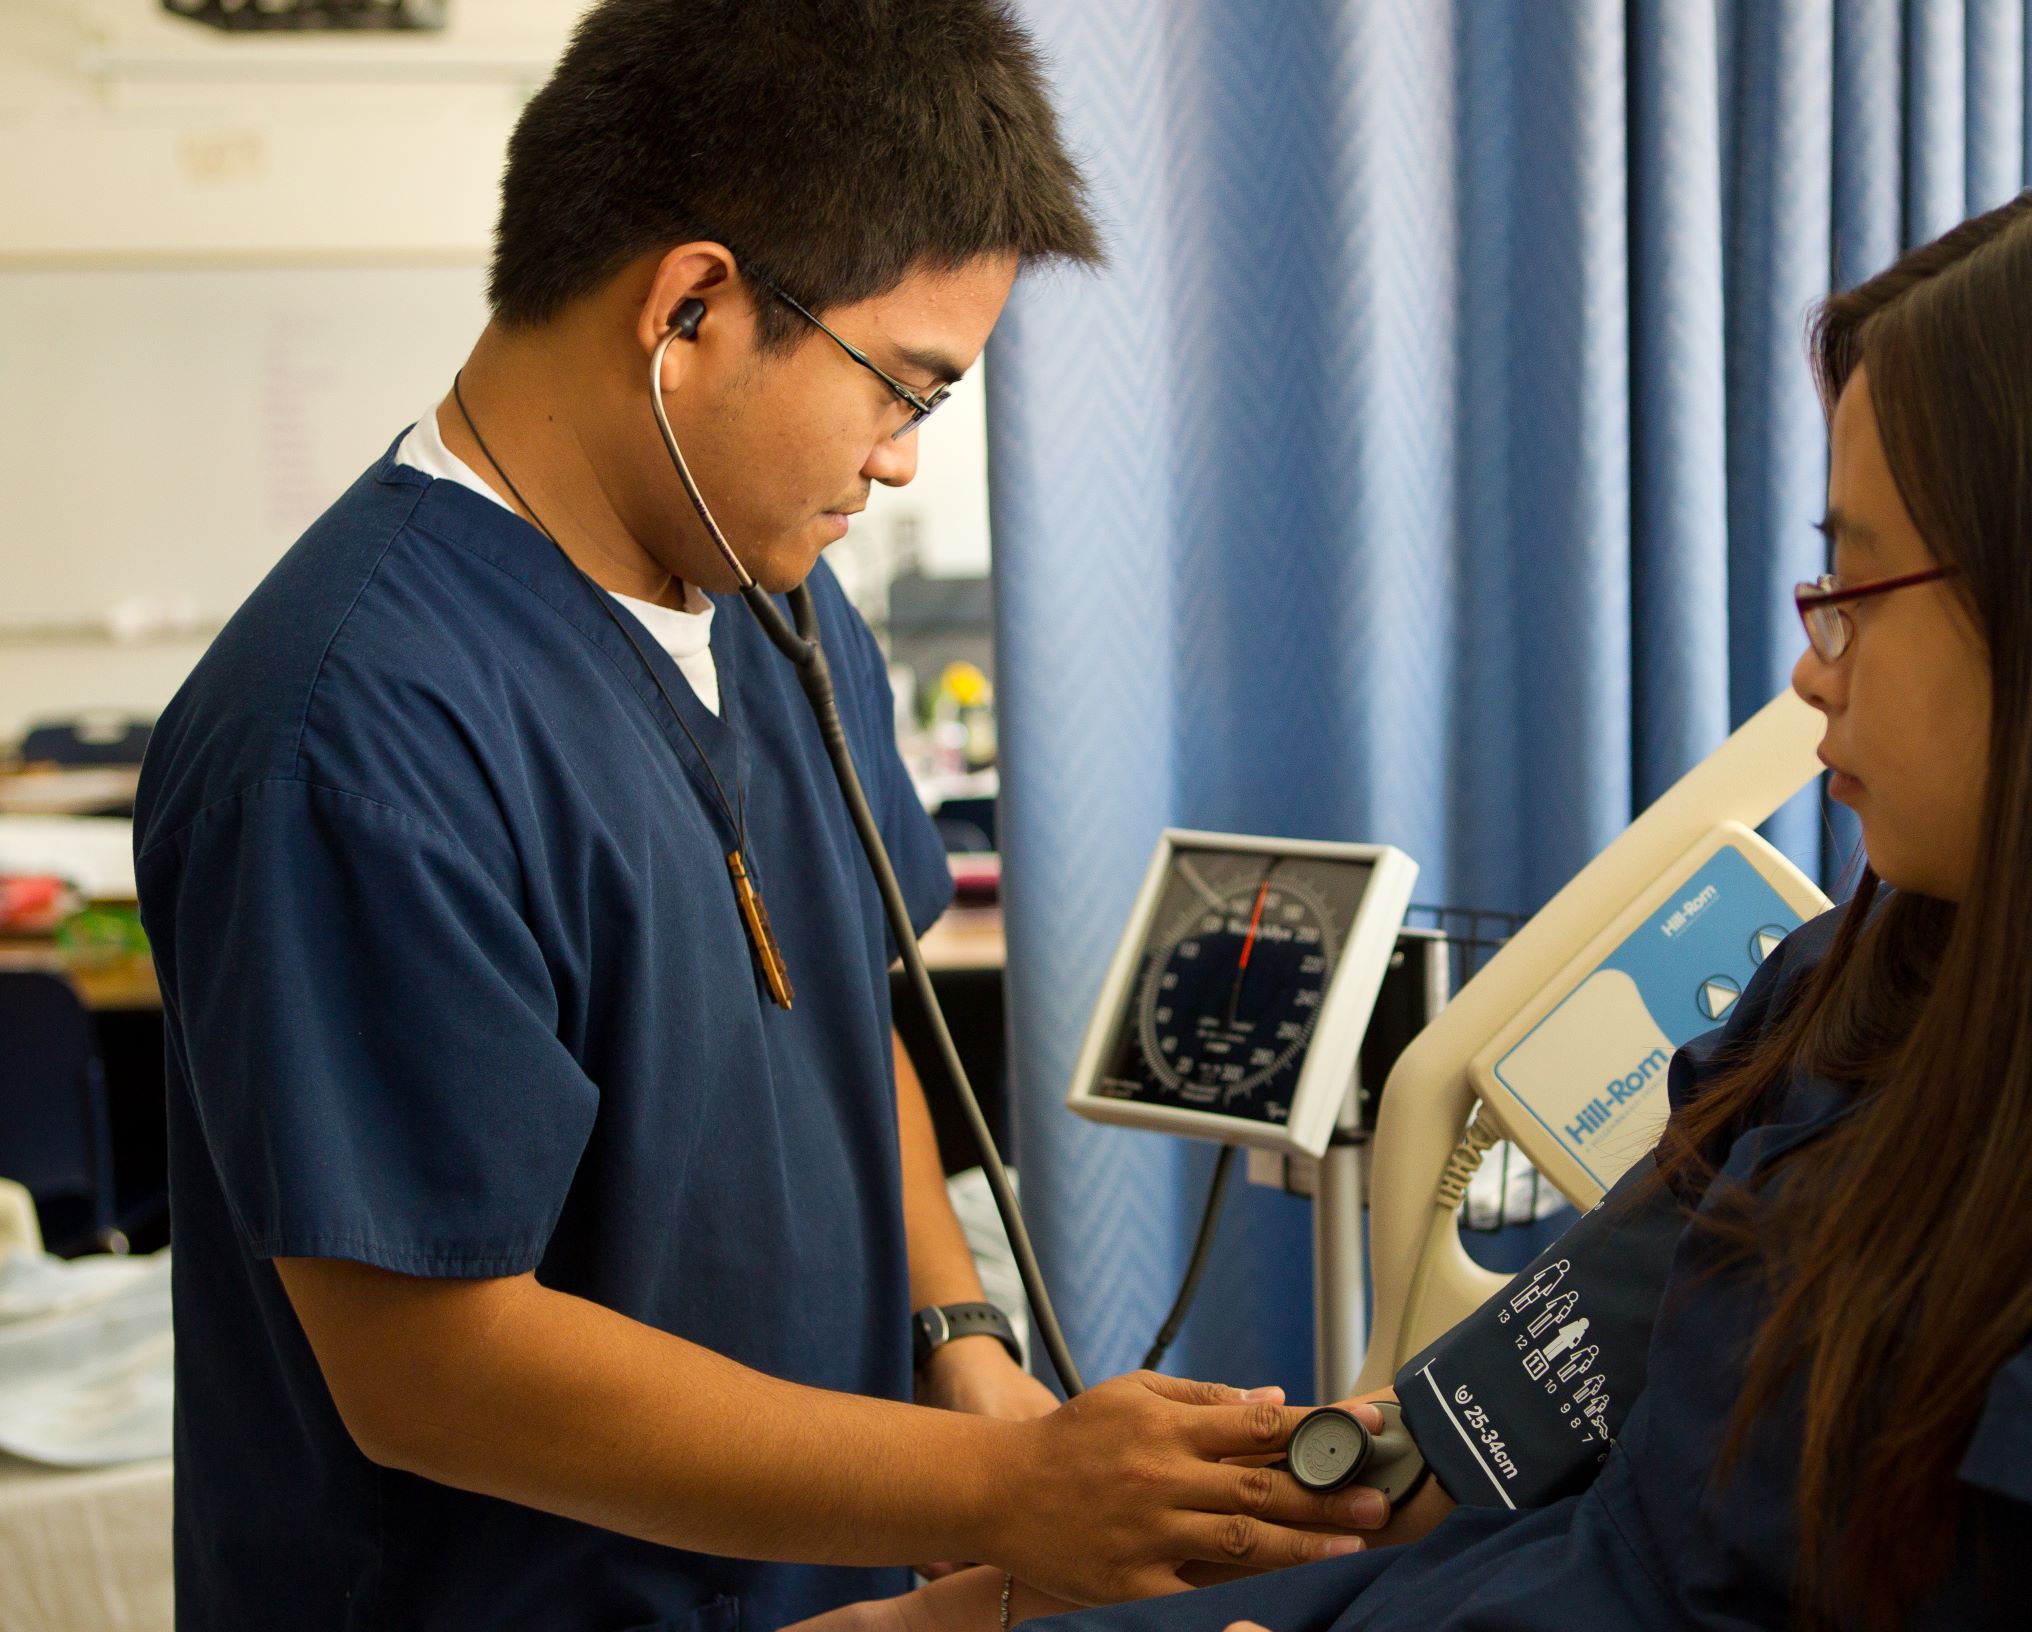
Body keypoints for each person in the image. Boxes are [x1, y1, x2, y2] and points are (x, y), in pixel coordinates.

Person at [801, 158, 2032, 1632]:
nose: (1811, 673)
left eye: (1854, 586)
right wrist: (1017, 1578)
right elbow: (1470, 1434)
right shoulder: (1883, 967)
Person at [131, 4, 1387, 1628]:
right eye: (901, 391)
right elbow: (433, 1366)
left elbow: (843, 1017)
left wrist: (961, 1349)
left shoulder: (769, 599)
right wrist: (1000, 1492)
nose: (901, 464)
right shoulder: (348, 737)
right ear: (691, 310)